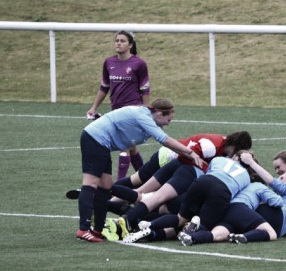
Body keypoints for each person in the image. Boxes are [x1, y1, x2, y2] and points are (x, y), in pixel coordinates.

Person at [76, 98, 204, 242]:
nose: (168, 124)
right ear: (160, 114)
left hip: (102, 144)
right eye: (168, 120)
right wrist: (190, 152)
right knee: (90, 183)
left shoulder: (147, 116)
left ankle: (97, 230)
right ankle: (83, 229)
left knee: (106, 185)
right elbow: (165, 140)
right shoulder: (144, 117)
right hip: (95, 139)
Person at [106, 132, 253, 235]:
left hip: (176, 162)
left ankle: (102, 200)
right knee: (156, 199)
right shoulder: (214, 147)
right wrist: (201, 164)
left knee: (142, 193)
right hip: (182, 166)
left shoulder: (218, 145)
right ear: (235, 146)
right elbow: (191, 152)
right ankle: (125, 220)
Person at [178, 151, 286, 246]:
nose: (278, 177)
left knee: (217, 235)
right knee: (270, 233)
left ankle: (192, 236)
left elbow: (272, 184)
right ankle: (243, 236)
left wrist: (251, 162)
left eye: (282, 177)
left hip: (231, 208)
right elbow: (277, 203)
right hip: (242, 211)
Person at [122, 153, 251, 243]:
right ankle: (193, 229)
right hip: (221, 191)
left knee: (179, 218)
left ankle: (150, 224)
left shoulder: (219, 159)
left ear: (234, 157)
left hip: (202, 182)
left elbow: (209, 172)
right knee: (205, 226)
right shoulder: (246, 177)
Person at [86, 30, 151, 179]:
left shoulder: (139, 64)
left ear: (130, 45)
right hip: (115, 111)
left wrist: (146, 108)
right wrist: (94, 107)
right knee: (132, 148)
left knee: (125, 146)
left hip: (133, 110)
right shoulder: (109, 62)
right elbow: (104, 86)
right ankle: (145, 178)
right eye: (117, 40)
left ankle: (119, 185)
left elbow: (145, 88)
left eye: (122, 41)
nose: (118, 43)